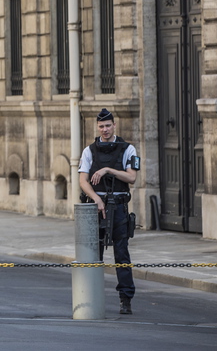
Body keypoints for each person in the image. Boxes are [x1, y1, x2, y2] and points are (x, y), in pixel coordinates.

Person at [79, 108, 138, 315]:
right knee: (94, 255)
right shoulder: (89, 151)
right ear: (98, 127)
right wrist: (96, 199)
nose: (105, 129)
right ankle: (90, 297)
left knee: (121, 254)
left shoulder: (127, 149)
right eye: (101, 126)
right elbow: (82, 181)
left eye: (108, 125)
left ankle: (125, 299)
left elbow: (131, 178)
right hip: (96, 208)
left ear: (114, 126)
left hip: (119, 208)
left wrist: (108, 170)